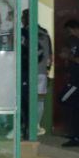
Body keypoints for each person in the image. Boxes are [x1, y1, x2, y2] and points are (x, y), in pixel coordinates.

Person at [19, 9, 52, 140]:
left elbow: (20, 52)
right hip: (42, 72)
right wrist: (47, 70)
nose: (22, 19)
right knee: (39, 100)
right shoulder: (44, 32)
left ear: (26, 18)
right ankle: (35, 127)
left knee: (24, 99)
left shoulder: (23, 32)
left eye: (23, 17)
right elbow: (50, 55)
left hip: (27, 71)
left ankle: (26, 128)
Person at [61, 19, 79, 147]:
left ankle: (75, 136)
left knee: (64, 99)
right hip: (74, 79)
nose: (69, 34)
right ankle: (74, 134)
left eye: (69, 31)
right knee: (73, 107)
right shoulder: (74, 42)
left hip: (76, 82)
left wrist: (68, 57)